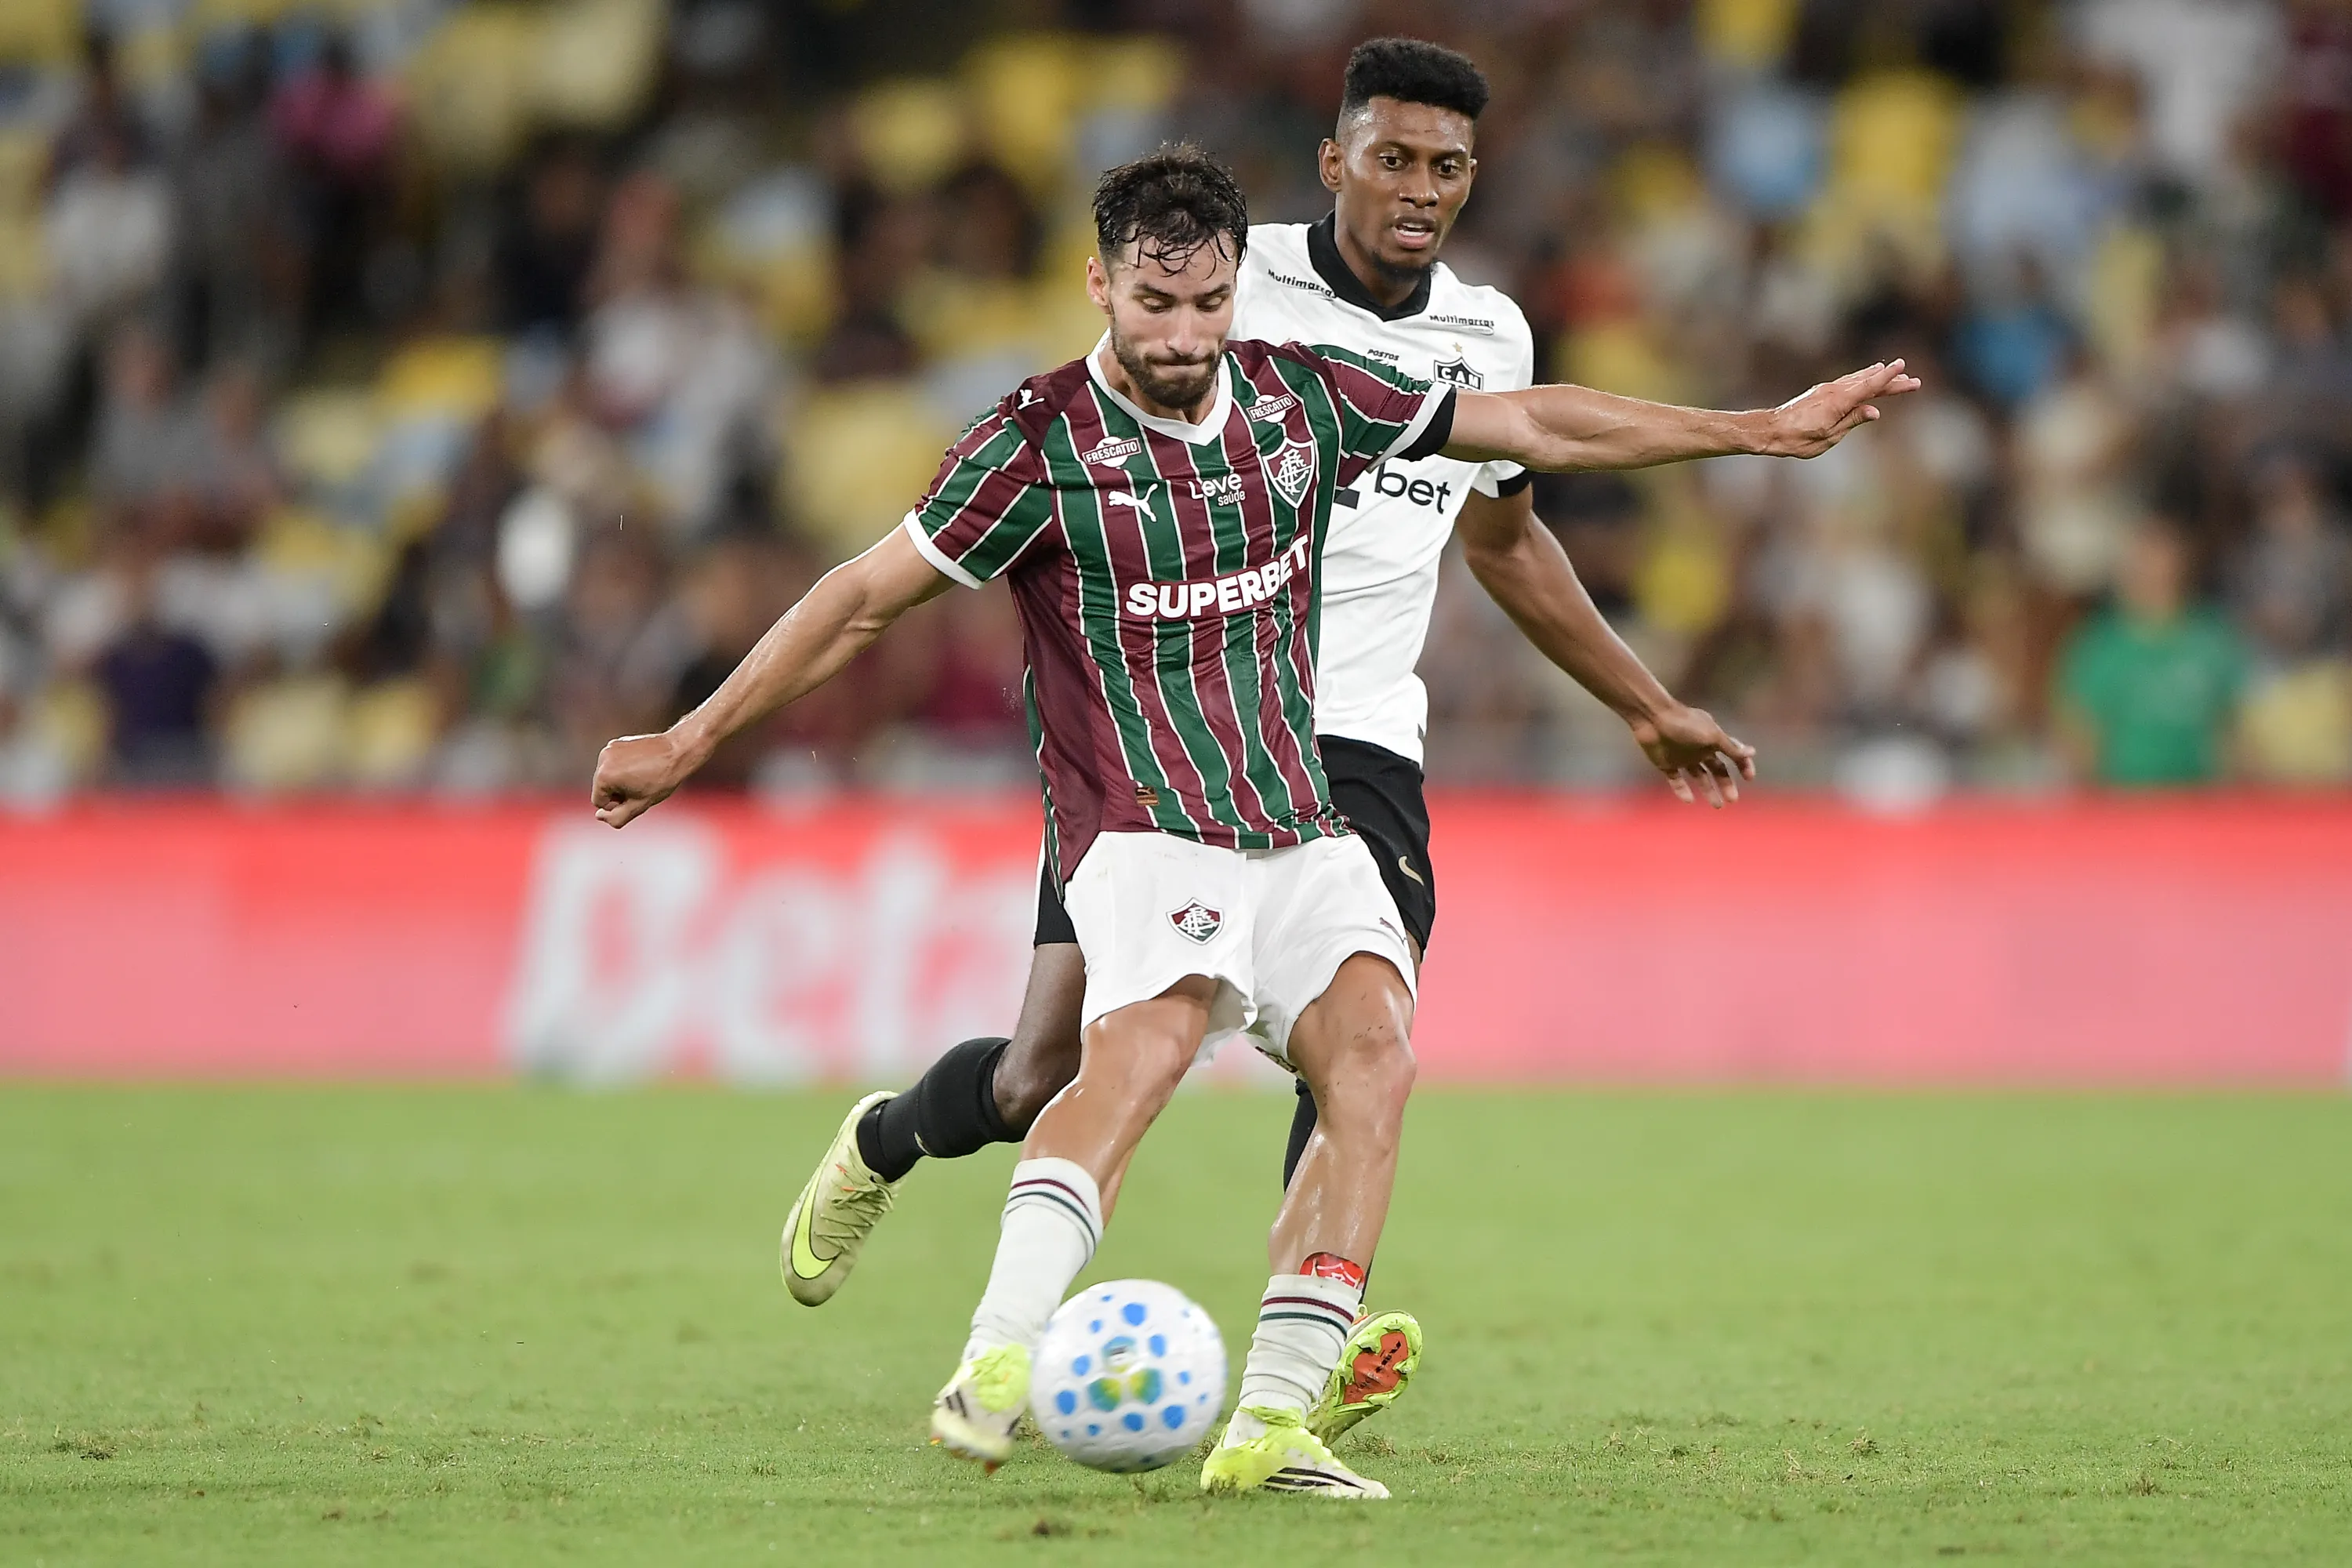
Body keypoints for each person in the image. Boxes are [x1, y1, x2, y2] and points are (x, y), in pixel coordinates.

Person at [590, 146, 1911, 1497]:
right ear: (1100, 284)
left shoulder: (1300, 400)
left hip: (1298, 819)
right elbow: (861, 601)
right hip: (1141, 826)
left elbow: (1535, 426)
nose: (1182, 336)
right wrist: (693, 738)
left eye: (1208, 304)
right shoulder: (1034, 445)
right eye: (1154, 304)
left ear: (1237, 292)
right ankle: (992, 1357)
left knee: (1374, 1061)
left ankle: (1273, 1421)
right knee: (1125, 1054)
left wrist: (1764, 430)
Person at [777, 37, 1793, 1452]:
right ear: (1336, 162)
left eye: (1446, 166)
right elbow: (1098, 420)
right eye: (1393, 158)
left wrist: (1640, 698)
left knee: (1360, 1047)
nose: (1419, 188)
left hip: (1357, 741)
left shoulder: (1490, 337)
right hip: (1168, 723)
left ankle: (1289, 1369)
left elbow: (1506, 541)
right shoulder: (1225, 278)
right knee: (1039, 1073)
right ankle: (885, 1141)